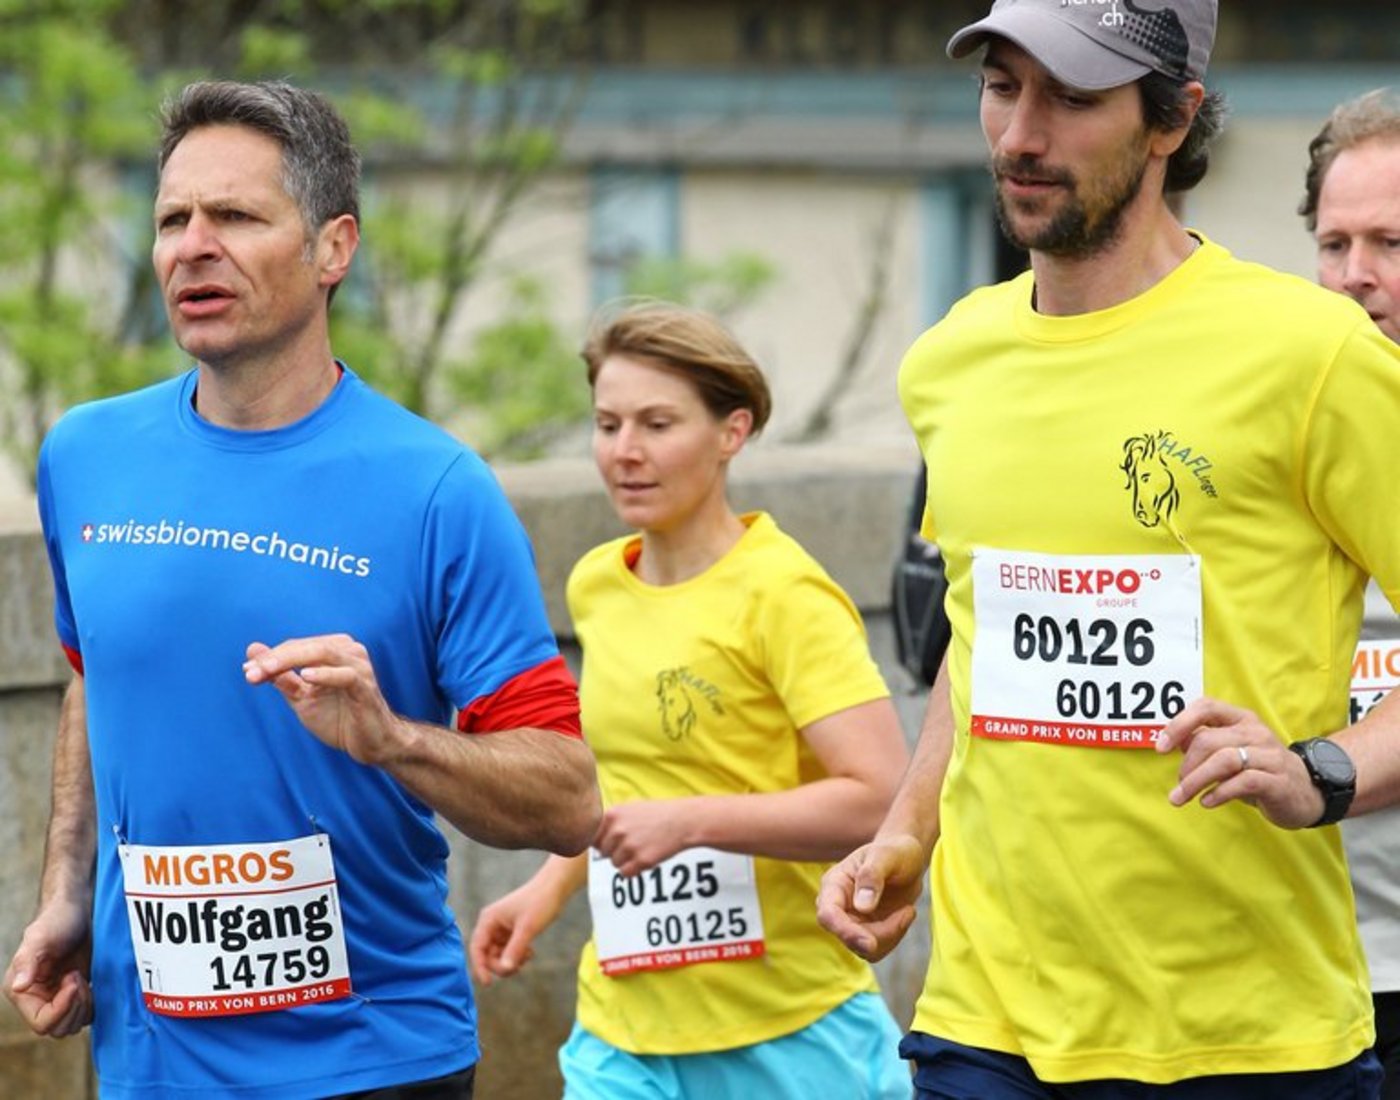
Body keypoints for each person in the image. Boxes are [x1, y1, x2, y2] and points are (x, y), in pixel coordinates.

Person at [817, 1, 1400, 1096]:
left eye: (1073, 98)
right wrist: (905, 827)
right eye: (1001, 86)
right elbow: (980, 629)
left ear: (1172, 119)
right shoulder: (949, 359)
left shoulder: (1312, 354)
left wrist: (1321, 769)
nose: (1019, 135)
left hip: (1245, 1040)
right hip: (982, 1023)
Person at [3, 80, 601, 1099]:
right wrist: (66, 892)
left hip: (371, 1059)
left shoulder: (435, 488)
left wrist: (393, 737)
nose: (192, 245)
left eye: (234, 215)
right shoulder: (85, 455)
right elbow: (94, 674)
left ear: (334, 249)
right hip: (148, 1062)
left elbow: (568, 794)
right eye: (170, 219)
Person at [468, 302, 913, 1099]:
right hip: (624, 1032)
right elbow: (626, 777)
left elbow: (880, 799)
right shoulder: (599, 582)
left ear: (731, 432)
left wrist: (693, 820)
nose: (625, 453)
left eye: (657, 424)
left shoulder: (787, 593)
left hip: (789, 1031)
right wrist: (547, 887)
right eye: (608, 425)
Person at [1300, 88, 1400, 1099]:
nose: (1353, 277)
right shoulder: (1263, 439)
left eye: (1388, 242)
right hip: (1302, 975)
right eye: (1332, 244)